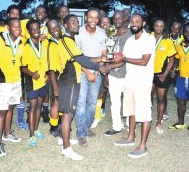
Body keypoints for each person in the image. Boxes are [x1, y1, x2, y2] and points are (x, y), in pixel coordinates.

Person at [57, 14, 109, 160]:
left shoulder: (71, 39)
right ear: (65, 26)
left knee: (69, 114)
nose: (75, 24)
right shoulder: (66, 40)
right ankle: (67, 149)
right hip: (69, 81)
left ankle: (62, 139)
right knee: (68, 115)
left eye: (75, 21)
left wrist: (100, 63)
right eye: (71, 22)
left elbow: (83, 58)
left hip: (72, 80)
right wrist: (100, 67)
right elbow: (81, 59)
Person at [111, 13, 155, 159]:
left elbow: (144, 61)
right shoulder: (129, 40)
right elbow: (123, 60)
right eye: (132, 21)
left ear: (143, 24)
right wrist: (108, 65)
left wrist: (123, 58)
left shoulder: (149, 39)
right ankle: (131, 137)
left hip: (143, 82)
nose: (134, 23)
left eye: (137, 21)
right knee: (131, 110)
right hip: (129, 80)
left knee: (144, 113)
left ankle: (143, 146)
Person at [0, 4, 29, 130]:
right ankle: (1, 137)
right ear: (8, 15)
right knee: (4, 106)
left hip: (16, 70)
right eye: (13, 14)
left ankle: (19, 120)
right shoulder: (1, 30)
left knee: (18, 96)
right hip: (2, 72)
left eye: (17, 14)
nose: (15, 16)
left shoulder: (21, 30)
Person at [0, 18, 24, 157]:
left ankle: (7, 133)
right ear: (7, 28)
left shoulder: (21, 41)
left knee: (11, 107)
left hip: (16, 80)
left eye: (19, 26)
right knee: (1, 111)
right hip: (2, 81)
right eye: (14, 26)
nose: (17, 28)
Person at [74, 7, 108, 147]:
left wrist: (97, 70)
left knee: (92, 103)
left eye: (96, 17)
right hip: (82, 72)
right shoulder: (79, 33)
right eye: (90, 17)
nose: (93, 20)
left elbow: (104, 52)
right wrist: (88, 72)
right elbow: (77, 57)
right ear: (86, 18)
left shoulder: (102, 32)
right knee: (81, 103)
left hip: (97, 73)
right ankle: (81, 133)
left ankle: (86, 127)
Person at [104, 10, 133, 136]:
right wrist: (106, 74)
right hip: (113, 74)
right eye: (115, 19)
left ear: (124, 19)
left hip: (128, 74)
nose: (117, 21)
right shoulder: (110, 33)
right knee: (114, 101)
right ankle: (116, 126)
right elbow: (106, 53)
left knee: (129, 101)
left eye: (119, 18)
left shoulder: (131, 33)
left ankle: (129, 125)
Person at [21, 19, 49, 146]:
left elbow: (49, 61)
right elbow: (22, 67)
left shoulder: (45, 43)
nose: (36, 31)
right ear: (28, 31)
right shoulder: (26, 47)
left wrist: (48, 74)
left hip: (44, 80)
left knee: (39, 106)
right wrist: (32, 73)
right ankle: (31, 135)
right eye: (33, 29)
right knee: (32, 107)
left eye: (37, 28)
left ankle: (36, 129)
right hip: (32, 81)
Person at [151, 18, 176, 134]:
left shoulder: (168, 41)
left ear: (164, 27)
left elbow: (172, 59)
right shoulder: (148, 37)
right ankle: (146, 118)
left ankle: (159, 122)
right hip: (148, 73)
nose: (158, 28)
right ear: (154, 26)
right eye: (157, 25)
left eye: (161, 26)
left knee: (161, 99)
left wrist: (165, 74)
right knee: (147, 98)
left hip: (161, 74)